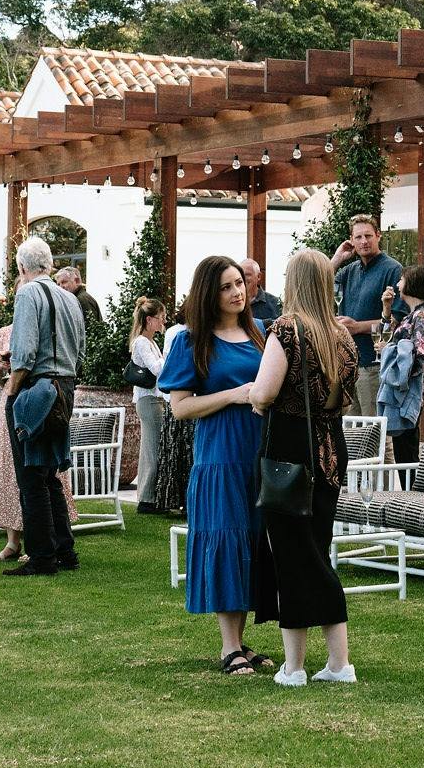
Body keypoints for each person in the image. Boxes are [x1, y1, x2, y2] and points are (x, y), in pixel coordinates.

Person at [247, 250, 358, 685]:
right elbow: (342, 398)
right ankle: (333, 662)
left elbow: (264, 392)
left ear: (293, 281)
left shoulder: (286, 330)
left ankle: (299, 667)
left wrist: (256, 399)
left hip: (289, 448)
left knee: (294, 554)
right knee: (315, 546)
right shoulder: (343, 335)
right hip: (330, 446)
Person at [162, 255, 275, 675]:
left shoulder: (260, 332)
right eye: (227, 286)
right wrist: (234, 394)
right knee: (226, 539)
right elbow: (180, 408)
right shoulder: (191, 342)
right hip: (220, 455)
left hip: (258, 452)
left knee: (251, 539)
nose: (237, 292)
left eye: (239, 284)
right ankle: (229, 646)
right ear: (211, 292)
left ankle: (241, 640)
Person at [3, 236, 88, 578]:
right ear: (50, 265)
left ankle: (42, 556)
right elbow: (80, 349)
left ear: (22, 268)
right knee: (50, 471)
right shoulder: (70, 298)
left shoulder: (27, 293)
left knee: (30, 474)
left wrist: (13, 388)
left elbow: (24, 350)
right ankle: (64, 549)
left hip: (37, 385)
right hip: (65, 386)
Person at [331, 215, 405, 413]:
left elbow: (395, 321)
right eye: (358, 237)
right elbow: (317, 285)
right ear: (351, 240)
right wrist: (337, 259)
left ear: (378, 236)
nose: (364, 241)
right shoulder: (348, 271)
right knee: (350, 434)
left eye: (368, 236)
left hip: (374, 364)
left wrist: (356, 327)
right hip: (346, 363)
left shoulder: (392, 269)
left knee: (375, 431)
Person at [377, 265, 424, 464]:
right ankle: (409, 489)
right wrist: (387, 310)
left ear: (411, 283)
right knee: (403, 444)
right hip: (408, 387)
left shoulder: (422, 315)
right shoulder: (417, 313)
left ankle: (410, 491)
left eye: (401, 280)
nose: (397, 284)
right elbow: (392, 335)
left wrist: (397, 370)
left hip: (409, 389)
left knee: (406, 446)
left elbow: (423, 355)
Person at [128, 297, 170, 513]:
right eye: (160, 318)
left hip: (154, 399)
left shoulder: (151, 342)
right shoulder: (142, 343)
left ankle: (151, 496)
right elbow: (157, 369)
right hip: (148, 400)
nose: (163, 322)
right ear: (149, 319)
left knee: (154, 447)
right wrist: (170, 355)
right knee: (151, 448)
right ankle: (146, 498)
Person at [242, 258, 282, 325]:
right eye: (241, 274)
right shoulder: (233, 302)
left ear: (259, 276)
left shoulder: (276, 304)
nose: (243, 278)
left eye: (247, 274)